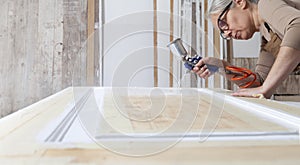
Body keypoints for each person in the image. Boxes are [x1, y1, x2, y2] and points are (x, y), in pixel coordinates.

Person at [193, 0, 300, 99]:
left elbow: (298, 25)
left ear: (240, 2)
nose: (227, 33)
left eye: (223, 24)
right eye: (222, 32)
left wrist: (265, 88)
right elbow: (259, 83)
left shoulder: (265, 4)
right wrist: (222, 67)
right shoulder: (268, 37)